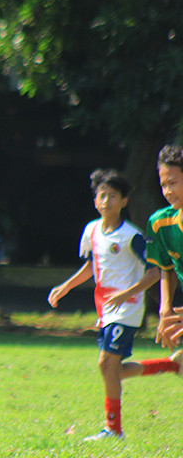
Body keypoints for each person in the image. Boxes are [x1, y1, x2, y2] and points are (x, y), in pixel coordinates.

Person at [48, 169, 178, 441]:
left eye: (112, 196)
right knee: (112, 370)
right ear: (95, 200)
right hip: (105, 308)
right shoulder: (91, 230)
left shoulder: (132, 236)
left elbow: (155, 271)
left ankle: (113, 429)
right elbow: (91, 266)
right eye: (101, 195)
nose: (106, 201)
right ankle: (171, 366)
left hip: (127, 307)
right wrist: (65, 286)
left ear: (124, 201)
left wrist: (125, 293)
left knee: (106, 364)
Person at [146, 146, 183, 348]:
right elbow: (167, 267)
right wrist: (165, 308)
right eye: (163, 185)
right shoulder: (160, 223)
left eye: (173, 183)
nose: (167, 191)